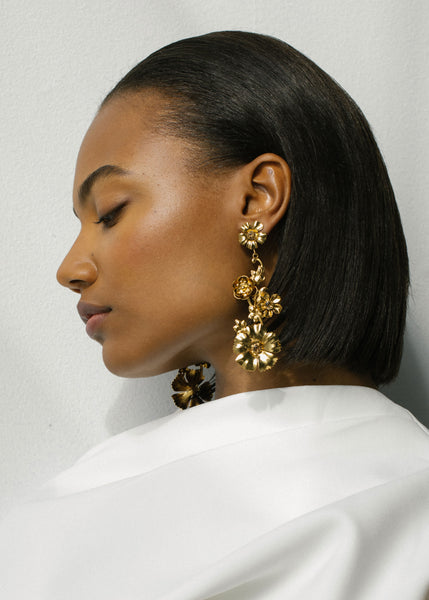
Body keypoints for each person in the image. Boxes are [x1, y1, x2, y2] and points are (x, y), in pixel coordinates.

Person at [1, 31, 428, 599]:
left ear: (257, 198)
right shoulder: (72, 501)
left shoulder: (410, 508)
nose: (70, 269)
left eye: (110, 212)